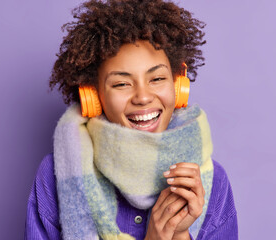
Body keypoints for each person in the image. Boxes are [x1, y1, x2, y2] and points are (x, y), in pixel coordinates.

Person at [24, 0, 238, 239]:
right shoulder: (55, 173)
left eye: (157, 79)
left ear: (178, 86)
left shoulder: (213, 181)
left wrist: (179, 235)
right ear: (93, 97)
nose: (143, 97)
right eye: (121, 83)